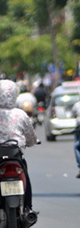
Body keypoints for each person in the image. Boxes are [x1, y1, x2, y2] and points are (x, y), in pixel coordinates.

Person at [0, 80, 37, 212]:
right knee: (25, 175)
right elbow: (31, 136)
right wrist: (32, 142)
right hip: (15, 154)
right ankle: (28, 208)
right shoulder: (20, 114)